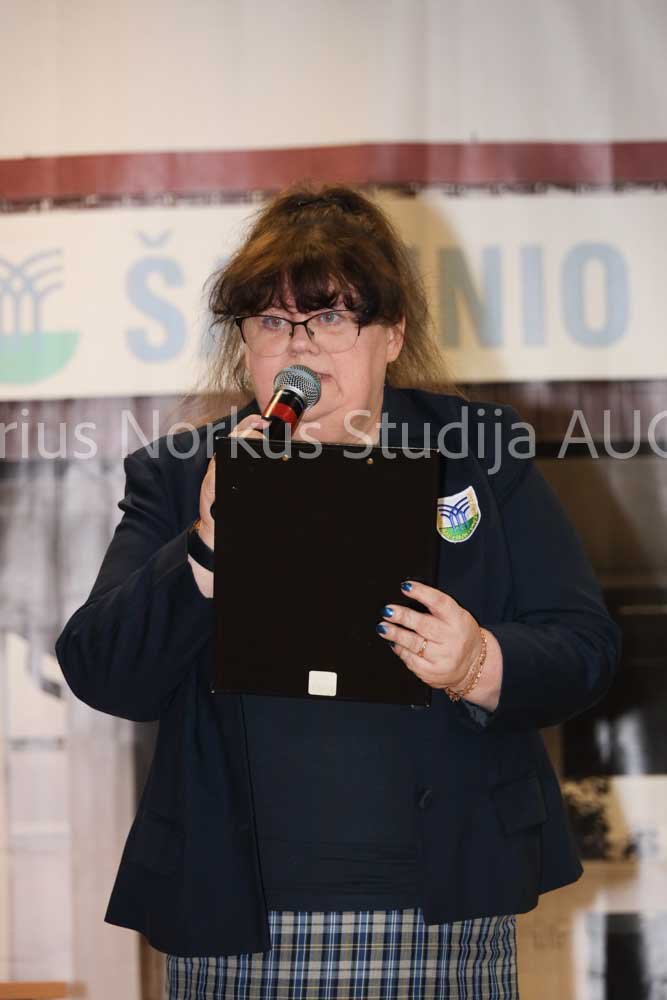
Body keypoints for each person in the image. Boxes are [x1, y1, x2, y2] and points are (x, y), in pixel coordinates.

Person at [55, 184, 621, 1000]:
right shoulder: (182, 475)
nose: (300, 346)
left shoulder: (478, 453)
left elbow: (583, 647)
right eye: (271, 322)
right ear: (243, 343)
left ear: (392, 335)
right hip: (236, 918)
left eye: (329, 317)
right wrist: (206, 545)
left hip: (440, 909)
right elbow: (104, 672)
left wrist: (478, 663)